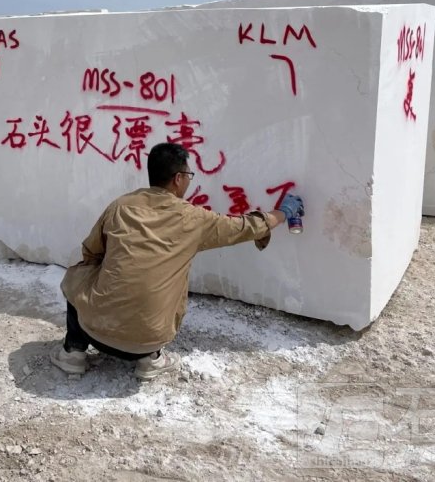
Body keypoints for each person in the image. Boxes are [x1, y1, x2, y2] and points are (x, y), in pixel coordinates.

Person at [51, 142, 304, 380]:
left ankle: (73, 353)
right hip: (149, 339)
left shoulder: (121, 206)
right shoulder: (193, 219)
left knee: (78, 273)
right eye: (189, 175)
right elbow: (244, 226)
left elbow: (90, 252)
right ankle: (150, 359)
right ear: (178, 179)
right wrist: (283, 213)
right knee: (164, 284)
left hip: (96, 332)